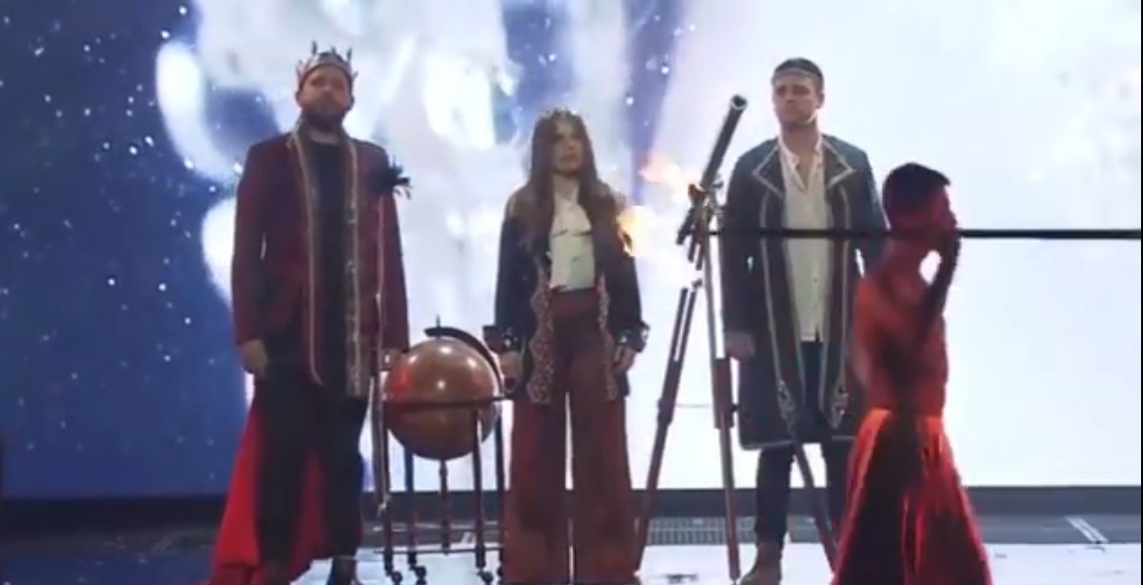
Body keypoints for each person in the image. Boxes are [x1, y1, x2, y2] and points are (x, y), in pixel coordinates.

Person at [206, 44, 410, 585]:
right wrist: (248, 333)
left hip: (351, 337)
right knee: (285, 454)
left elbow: (388, 253)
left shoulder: (371, 162)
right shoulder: (269, 158)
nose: (327, 92)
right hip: (286, 335)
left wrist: (395, 336)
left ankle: (346, 560)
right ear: (299, 93)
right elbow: (247, 253)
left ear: (351, 99)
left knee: (343, 457)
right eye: (318, 82)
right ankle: (275, 562)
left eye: (338, 85)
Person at [719, 57, 887, 584]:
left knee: (843, 447)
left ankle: (849, 557)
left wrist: (885, 318)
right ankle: (768, 555)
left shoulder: (852, 164)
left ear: (820, 98)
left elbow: (875, 246)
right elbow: (733, 255)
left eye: (799, 90)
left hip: (840, 321)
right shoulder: (752, 169)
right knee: (776, 447)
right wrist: (735, 326)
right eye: (781, 91)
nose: (790, 99)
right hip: (774, 321)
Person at [484, 109, 648, 585]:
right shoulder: (522, 207)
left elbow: (625, 276)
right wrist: (508, 344)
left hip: (595, 330)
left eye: (576, 138)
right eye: (557, 140)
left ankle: (608, 570)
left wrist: (628, 334)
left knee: (603, 454)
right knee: (535, 454)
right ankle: (535, 570)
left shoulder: (609, 205)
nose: (569, 147)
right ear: (543, 149)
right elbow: (507, 281)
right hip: (540, 332)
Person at [832, 163, 992, 585]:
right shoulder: (879, 286)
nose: (952, 222)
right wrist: (948, 269)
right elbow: (908, 358)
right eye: (942, 210)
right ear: (910, 218)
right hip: (895, 439)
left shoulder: (915, 286)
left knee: (953, 569)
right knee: (886, 565)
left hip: (925, 435)